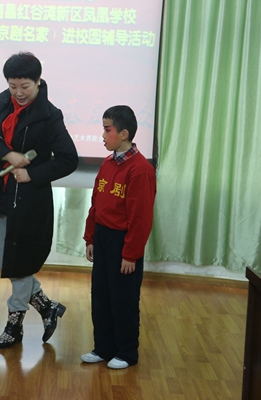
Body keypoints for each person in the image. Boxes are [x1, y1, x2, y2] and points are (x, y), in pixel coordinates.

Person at [0, 52, 79, 349]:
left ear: (38, 81)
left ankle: (14, 325)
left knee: (16, 262)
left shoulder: (49, 115)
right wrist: (7, 154)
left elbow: (68, 159)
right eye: (13, 86)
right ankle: (47, 306)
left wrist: (32, 174)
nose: (18, 93)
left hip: (28, 202)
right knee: (6, 261)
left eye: (24, 86)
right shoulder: (4, 101)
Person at [80, 105, 156, 369]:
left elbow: (140, 218)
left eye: (107, 130)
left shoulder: (140, 169)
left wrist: (130, 254)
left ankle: (126, 352)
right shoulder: (108, 163)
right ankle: (103, 348)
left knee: (123, 299)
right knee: (101, 296)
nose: (103, 135)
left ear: (124, 134)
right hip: (103, 237)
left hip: (123, 242)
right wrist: (90, 237)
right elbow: (96, 203)